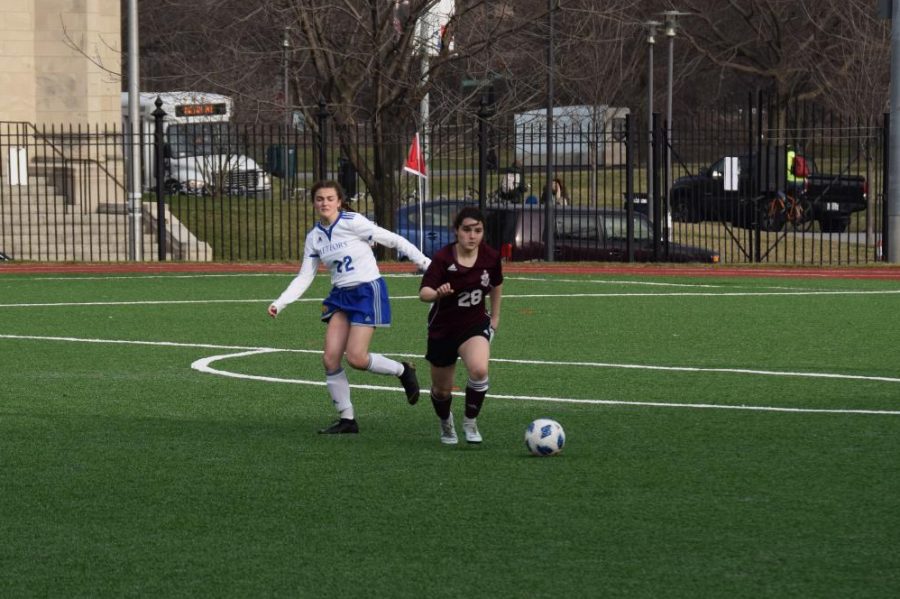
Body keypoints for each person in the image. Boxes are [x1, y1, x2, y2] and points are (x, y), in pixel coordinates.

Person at [267, 180, 431, 434]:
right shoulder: (315, 237)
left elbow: (395, 240)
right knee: (330, 358)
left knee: (356, 358)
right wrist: (280, 302)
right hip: (340, 296)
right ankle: (347, 420)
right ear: (313, 203)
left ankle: (402, 370)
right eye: (320, 199)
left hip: (367, 291)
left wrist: (426, 264)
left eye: (330, 198)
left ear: (339, 201)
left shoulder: (353, 221)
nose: (324, 203)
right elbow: (305, 276)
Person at [418, 207, 503, 445]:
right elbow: (423, 293)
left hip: (474, 325)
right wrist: (437, 293)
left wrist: (495, 317)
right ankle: (446, 422)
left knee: (479, 370)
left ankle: (470, 421)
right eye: (466, 230)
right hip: (443, 329)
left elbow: (497, 284)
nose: (472, 235)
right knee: (442, 390)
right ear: (456, 231)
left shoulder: (490, 257)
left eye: (478, 230)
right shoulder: (444, 258)